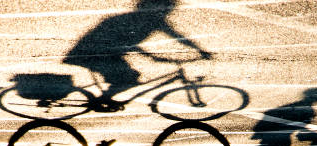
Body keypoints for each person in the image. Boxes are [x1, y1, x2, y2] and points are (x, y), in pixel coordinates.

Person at [62, 0, 211, 111]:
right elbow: (126, 42)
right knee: (129, 77)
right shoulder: (136, 20)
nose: (168, 11)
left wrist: (200, 50)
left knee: (125, 76)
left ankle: (106, 98)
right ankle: (102, 100)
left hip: (104, 51)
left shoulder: (153, 21)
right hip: (91, 52)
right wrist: (151, 56)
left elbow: (178, 36)